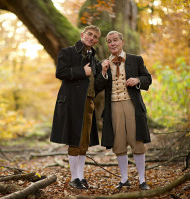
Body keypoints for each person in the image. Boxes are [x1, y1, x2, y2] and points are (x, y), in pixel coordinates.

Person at [95, 31, 152, 190]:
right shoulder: (103, 63)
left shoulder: (135, 59)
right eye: (109, 41)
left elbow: (148, 78)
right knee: (119, 143)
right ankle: (124, 179)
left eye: (115, 40)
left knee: (137, 141)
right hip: (113, 106)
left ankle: (142, 180)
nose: (112, 44)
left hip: (132, 105)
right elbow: (97, 87)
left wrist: (138, 80)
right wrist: (104, 72)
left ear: (122, 42)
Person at [50, 25, 102, 189]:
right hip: (71, 103)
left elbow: (96, 85)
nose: (91, 38)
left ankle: (81, 177)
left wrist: (104, 72)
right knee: (74, 140)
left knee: (84, 142)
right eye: (89, 34)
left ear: (96, 41)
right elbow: (60, 72)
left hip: (88, 102)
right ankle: (74, 179)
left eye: (95, 37)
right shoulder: (67, 52)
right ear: (82, 34)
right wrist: (82, 71)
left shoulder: (94, 59)